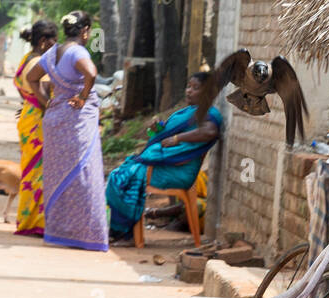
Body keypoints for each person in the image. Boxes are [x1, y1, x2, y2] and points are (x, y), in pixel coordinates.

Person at [20, 11, 108, 251]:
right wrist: (81, 96)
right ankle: (86, 233)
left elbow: (32, 77)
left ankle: (61, 231)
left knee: (59, 176)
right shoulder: (77, 52)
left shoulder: (53, 52)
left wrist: (45, 102)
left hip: (55, 119)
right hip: (77, 121)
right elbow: (91, 73)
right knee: (85, 174)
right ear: (85, 31)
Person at [106, 73, 222, 241]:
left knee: (120, 178)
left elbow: (210, 131)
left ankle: (123, 230)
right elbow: (165, 134)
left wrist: (177, 138)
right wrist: (157, 128)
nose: (189, 91)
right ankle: (123, 230)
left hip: (178, 171)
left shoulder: (209, 113)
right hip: (166, 167)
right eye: (188, 86)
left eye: (196, 88)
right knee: (120, 173)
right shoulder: (187, 112)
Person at [11, 20, 58, 237]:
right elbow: (44, 97)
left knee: (32, 168)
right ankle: (34, 222)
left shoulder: (26, 59)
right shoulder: (38, 63)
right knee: (38, 171)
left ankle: (29, 218)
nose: (56, 45)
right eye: (53, 41)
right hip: (37, 119)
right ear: (42, 41)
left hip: (27, 117)